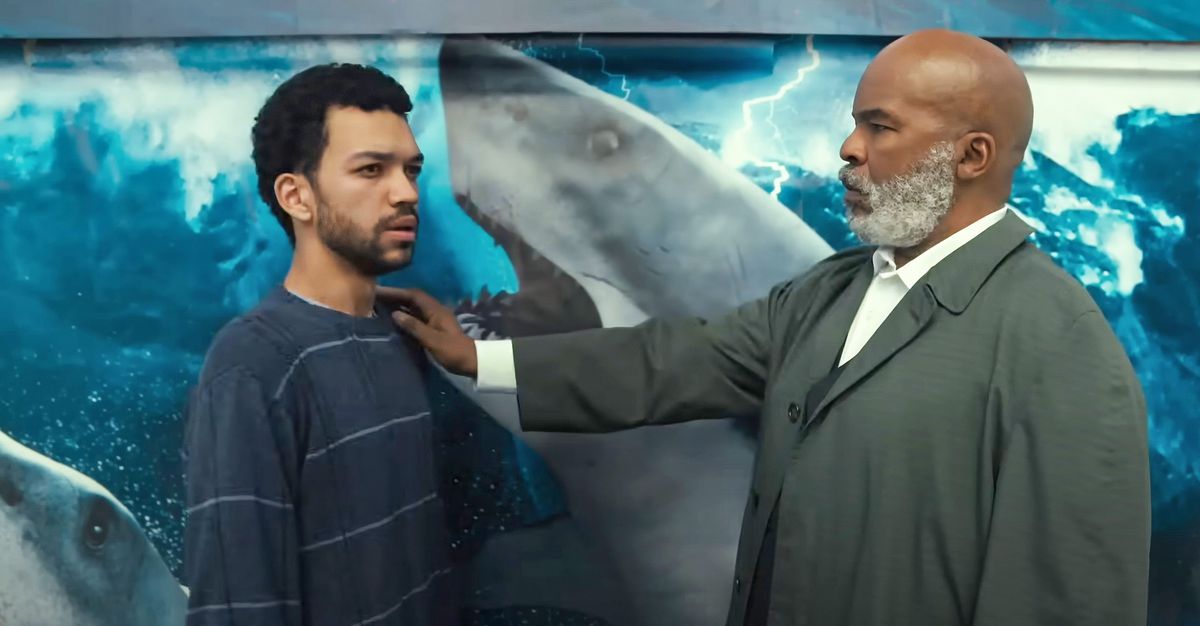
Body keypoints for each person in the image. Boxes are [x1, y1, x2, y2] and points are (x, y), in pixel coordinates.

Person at [384, 29, 1151, 626]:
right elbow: (674, 362)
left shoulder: (1060, 344)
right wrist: (483, 360)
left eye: (881, 127)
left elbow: (1073, 597)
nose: (849, 149)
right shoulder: (826, 294)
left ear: (971, 155)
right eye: (855, 123)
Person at [182, 63, 458, 626]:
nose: (405, 193)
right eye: (371, 170)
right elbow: (240, 609)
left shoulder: (401, 335)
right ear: (297, 197)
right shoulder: (253, 367)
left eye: (411, 170)